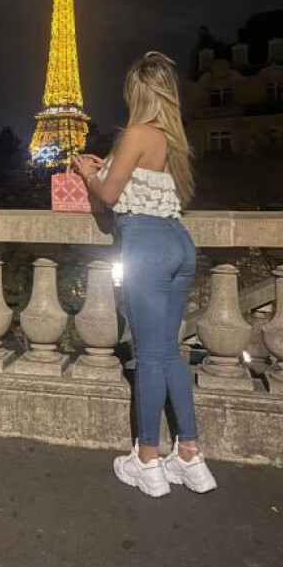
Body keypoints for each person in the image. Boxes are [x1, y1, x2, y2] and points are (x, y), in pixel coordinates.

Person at [72, 51, 217, 498]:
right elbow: (141, 184)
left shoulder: (135, 133)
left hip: (147, 245)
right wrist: (106, 166)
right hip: (178, 242)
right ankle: (190, 456)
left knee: (149, 356)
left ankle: (148, 460)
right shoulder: (170, 140)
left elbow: (110, 195)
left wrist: (88, 174)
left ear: (136, 93)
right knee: (171, 352)